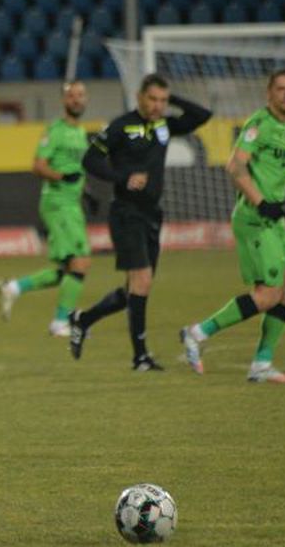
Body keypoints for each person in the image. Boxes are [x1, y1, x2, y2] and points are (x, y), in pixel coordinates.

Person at [180, 68, 285, 382]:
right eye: (281, 89)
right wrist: (261, 202)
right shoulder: (260, 123)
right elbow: (235, 164)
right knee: (268, 294)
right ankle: (196, 333)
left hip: (274, 219)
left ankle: (262, 364)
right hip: (255, 218)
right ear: (269, 93)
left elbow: (274, 160)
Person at [69, 73, 212, 370]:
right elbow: (90, 160)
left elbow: (202, 115)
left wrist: (172, 99)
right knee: (142, 282)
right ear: (139, 97)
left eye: (163, 100)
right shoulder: (121, 126)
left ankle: (83, 319)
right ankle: (140, 357)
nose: (158, 105)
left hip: (151, 214)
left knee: (134, 290)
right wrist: (123, 177)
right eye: (153, 99)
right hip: (126, 212)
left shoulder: (163, 125)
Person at [0, 80, 91, 337]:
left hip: (73, 204)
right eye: (73, 96)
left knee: (71, 269)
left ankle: (15, 287)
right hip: (57, 203)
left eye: (81, 95)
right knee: (80, 262)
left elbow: (76, 170)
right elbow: (38, 166)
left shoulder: (81, 133)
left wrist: (87, 193)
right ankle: (60, 322)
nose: (78, 100)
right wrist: (61, 177)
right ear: (64, 100)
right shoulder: (55, 130)